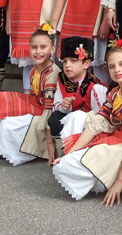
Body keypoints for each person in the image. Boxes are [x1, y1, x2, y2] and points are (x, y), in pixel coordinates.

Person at [51, 37, 122, 205]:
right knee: (74, 150)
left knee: (90, 158)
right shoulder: (114, 93)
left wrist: (119, 182)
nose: (117, 69)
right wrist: (70, 152)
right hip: (117, 137)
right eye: (112, 66)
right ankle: (103, 171)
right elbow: (98, 122)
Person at [0, 29, 60, 165]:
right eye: (34, 47)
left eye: (43, 47)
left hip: (47, 113)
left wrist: (49, 141)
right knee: (0, 102)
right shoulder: (35, 70)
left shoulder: (52, 74)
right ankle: (7, 146)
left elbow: (49, 109)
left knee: (11, 123)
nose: (38, 51)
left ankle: (18, 150)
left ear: (52, 49)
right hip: (37, 105)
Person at [45, 36, 109, 166]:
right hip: (71, 123)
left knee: (78, 116)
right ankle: (68, 151)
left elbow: (101, 118)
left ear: (86, 64)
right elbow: (56, 105)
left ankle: (78, 155)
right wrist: (65, 107)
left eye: (73, 61)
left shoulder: (96, 87)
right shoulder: (62, 79)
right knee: (55, 119)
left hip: (89, 129)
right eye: (65, 61)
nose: (67, 65)